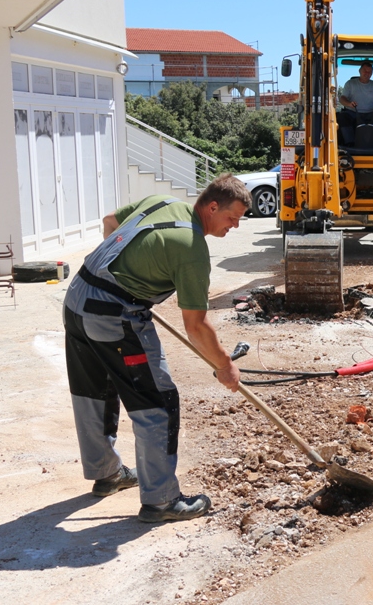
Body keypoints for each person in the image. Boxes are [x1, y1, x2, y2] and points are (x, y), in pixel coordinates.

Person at [62, 174, 251, 523]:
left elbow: (110, 223)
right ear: (212, 207)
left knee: (94, 390)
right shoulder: (192, 249)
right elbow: (196, 326)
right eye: (232, 217)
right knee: (157, 401)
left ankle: (107, 474)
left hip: (77, 300)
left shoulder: (162, 202)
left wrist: (127, 279)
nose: (235, 226)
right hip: (112, 317)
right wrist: (225, 364)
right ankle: (162, 500)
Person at [337, 59, 373, 145]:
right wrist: (349, 104)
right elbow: (342, 98)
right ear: (359, 71)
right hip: (354, 113)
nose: (367, 74)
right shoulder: (350, 84)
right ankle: (349, 143)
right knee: (342, 117)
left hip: (372, 114)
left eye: (370, 72)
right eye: (365, 71)